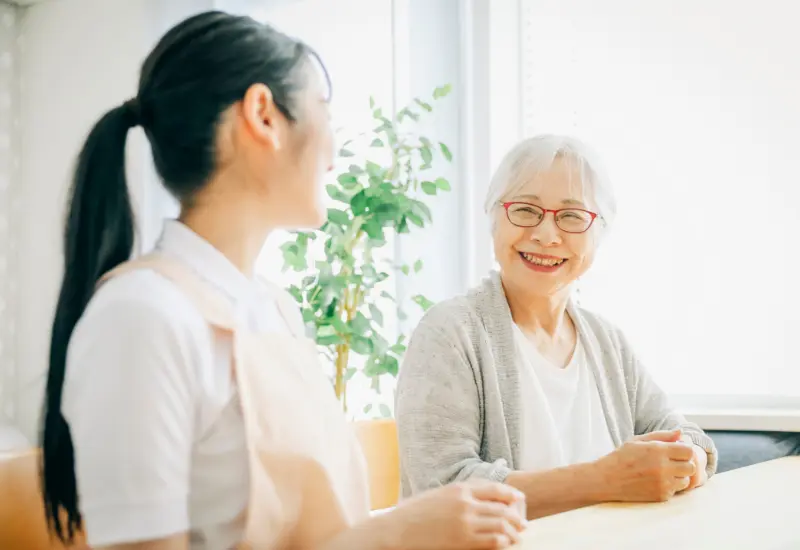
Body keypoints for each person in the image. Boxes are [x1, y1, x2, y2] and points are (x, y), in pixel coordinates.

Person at [40, 11, 526, 550]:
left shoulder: (274, 309)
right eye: (324, 111)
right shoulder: (140, 317)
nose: (335, 149)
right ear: (263, 115)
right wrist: (395, 534)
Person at [395, 135, 719, 520]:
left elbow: (688, 436)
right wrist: (603, 480)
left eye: (571, 216)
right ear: (494, 216)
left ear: (598, 233)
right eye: (527, 210)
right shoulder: (451, 332)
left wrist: (691, 460)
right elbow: (443, 490)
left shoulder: (607, 342)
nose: (546, 235)